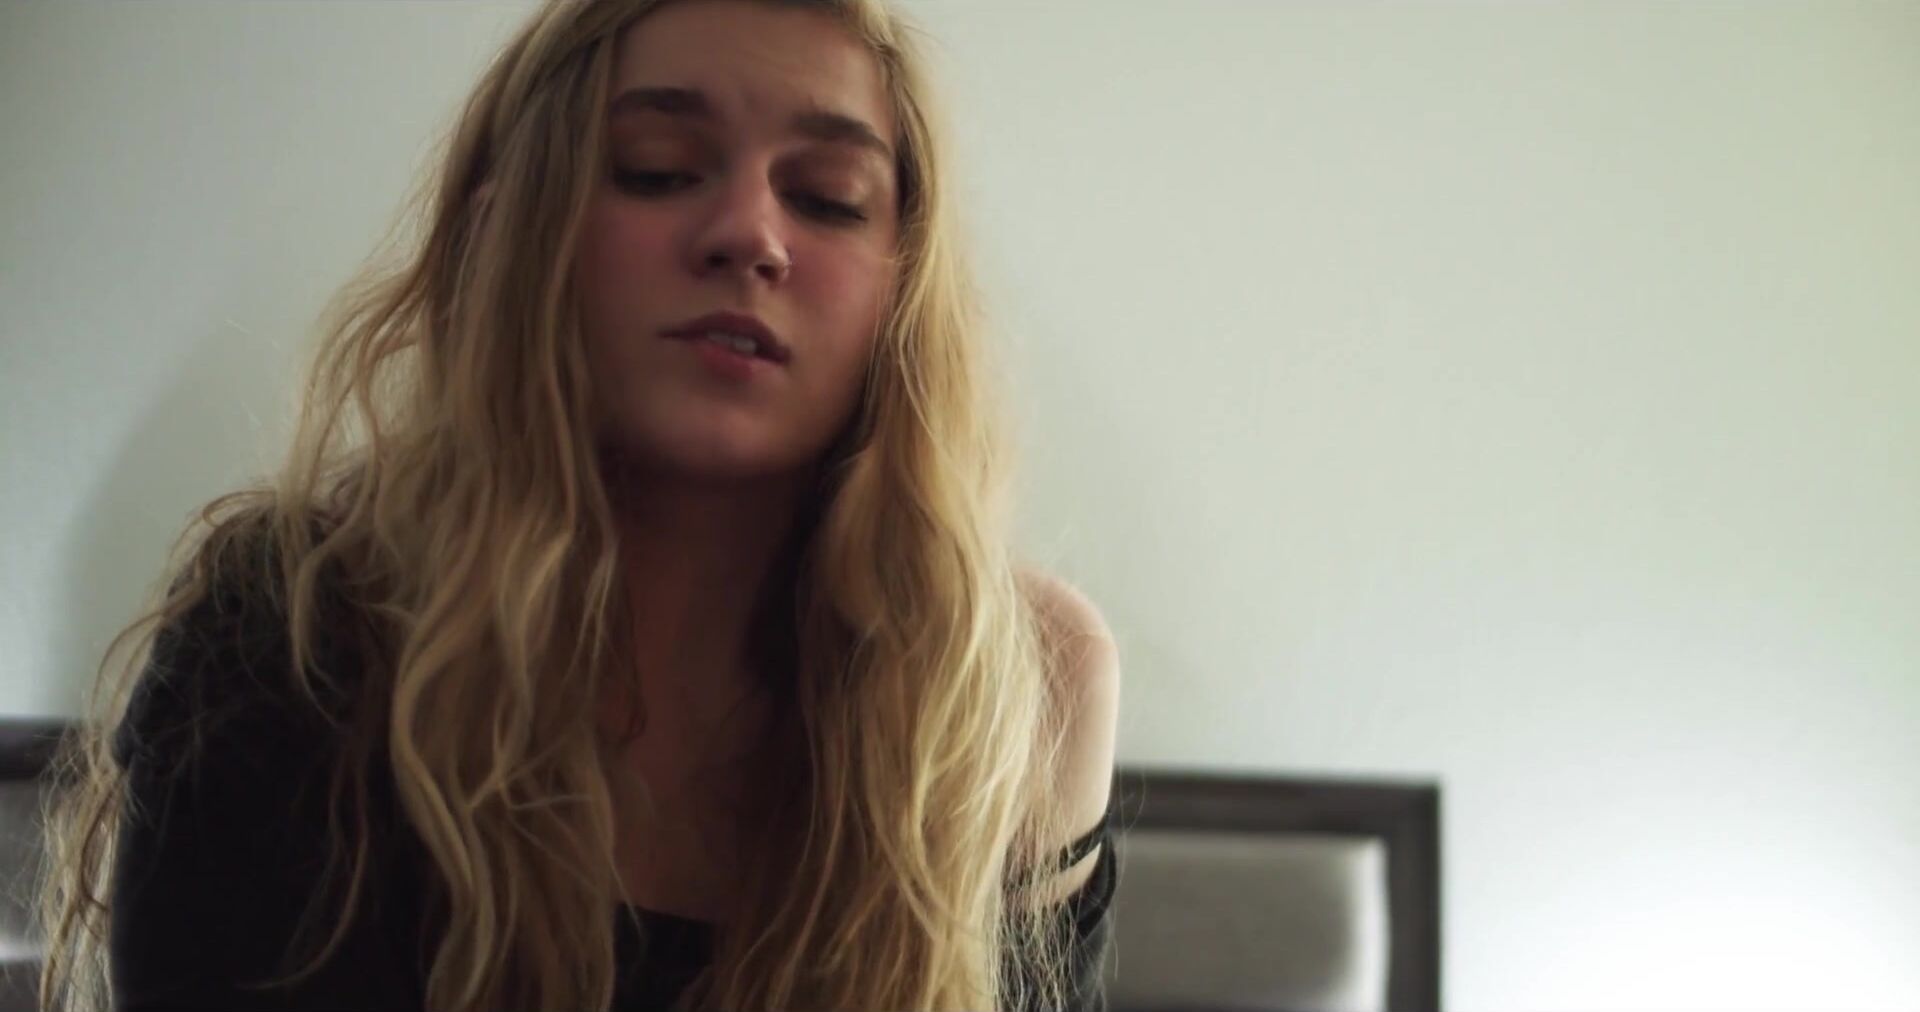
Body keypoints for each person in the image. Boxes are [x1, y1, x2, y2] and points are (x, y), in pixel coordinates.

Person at [34, 0, 1122, 1009]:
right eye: (658, 170)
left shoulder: (1021, 685)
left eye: (828, 197)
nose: (749, 233)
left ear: (906, 284)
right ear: (512, 230)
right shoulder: (292, 638)